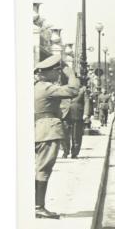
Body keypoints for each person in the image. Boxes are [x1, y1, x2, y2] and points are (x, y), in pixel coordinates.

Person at [34, 55, 81, 218]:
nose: (59, 74)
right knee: (43, 168)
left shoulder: (34, 86)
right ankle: (38, 206)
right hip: (46, 130)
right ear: (49, 72)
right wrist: (71, 74)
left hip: (35, 128)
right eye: (57, 71)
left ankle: (34, 205)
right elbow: (73, 90)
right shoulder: (46, 87)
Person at [60, 83, 86, 158]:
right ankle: (65, 151)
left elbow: (86, 102)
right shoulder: (63, 88)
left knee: (76, 134)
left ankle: (75, 153)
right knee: (64, 134)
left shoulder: (82, 90)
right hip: (64, 113)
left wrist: (86, 114)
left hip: (77, 114)